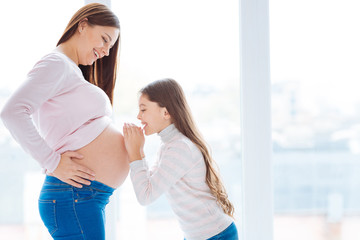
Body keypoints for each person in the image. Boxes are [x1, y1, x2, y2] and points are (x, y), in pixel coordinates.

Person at [0, 3, 129, 240]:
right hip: (75, 195)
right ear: (83, 25)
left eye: (110, 46)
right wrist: (52, 161)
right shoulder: (56, 64)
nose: (106, 51)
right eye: (104, 39)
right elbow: (12, 111)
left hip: (83, 196)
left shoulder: (69, 69)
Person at [123, 78, 239, 240]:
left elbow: (145, 196)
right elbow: (148, 186)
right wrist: (137, 151)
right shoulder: (169, 146)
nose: (138, 116)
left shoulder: (179, 148)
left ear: (166, 112)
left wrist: (135, 152)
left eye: (143, 110)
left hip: (214, 235)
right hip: (198, 235)